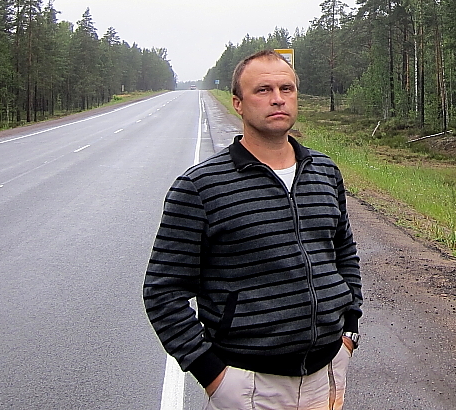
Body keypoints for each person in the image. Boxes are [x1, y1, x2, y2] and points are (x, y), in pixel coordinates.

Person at [144, 49, 362, 410]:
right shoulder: (200, 187)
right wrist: (213, 375)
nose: (278, 99)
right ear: (238, 103)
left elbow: (344, 252)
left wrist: (350, 328)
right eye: (263, 90)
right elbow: (162, 292)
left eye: (286, 89)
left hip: (328, 374)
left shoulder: (324, 171)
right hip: (247, 384)